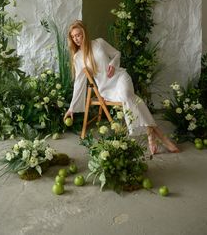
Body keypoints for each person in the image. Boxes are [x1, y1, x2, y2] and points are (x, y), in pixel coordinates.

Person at [63, 20, 179, 155]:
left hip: (120, 77)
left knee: (126, 95)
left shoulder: (99, 43)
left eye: (78, 35)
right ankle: (155, 134)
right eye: (73, 36)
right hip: (106, 89)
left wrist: (112, 64)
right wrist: (71, 108)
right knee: (132, 98)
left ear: (84, 33)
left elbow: (117, 53)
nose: (76, 39)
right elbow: (78, 83)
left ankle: (153, 135)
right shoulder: (78, 58)